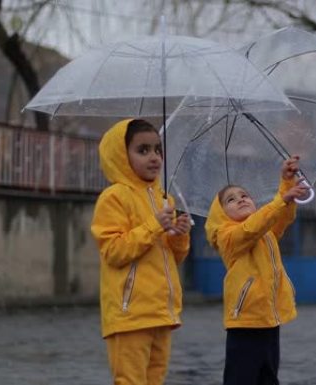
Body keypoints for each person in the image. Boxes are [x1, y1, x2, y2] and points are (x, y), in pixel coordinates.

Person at [91, 118, 192, 385]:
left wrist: (179, 236)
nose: (154, 157)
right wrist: (154, 225)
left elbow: (172, 258)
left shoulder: (164, 199)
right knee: (130, 381)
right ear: (121, 156)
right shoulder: (114, 197)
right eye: (143, 150)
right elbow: (113, 251)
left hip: (161, 311)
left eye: (158, 149)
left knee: (155, 380)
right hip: (130, 314)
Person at [205, 156, 310, 385]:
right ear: (221, 215)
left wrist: (286, 181)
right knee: (241, 378)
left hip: (269, 320)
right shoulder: (228, 237)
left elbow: (282, 216)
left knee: (268, 377)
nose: (240, 200)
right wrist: (282, 199)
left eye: (244, 196)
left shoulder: (265, 229)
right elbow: (250, 229)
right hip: (245, 323)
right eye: (231, 200)